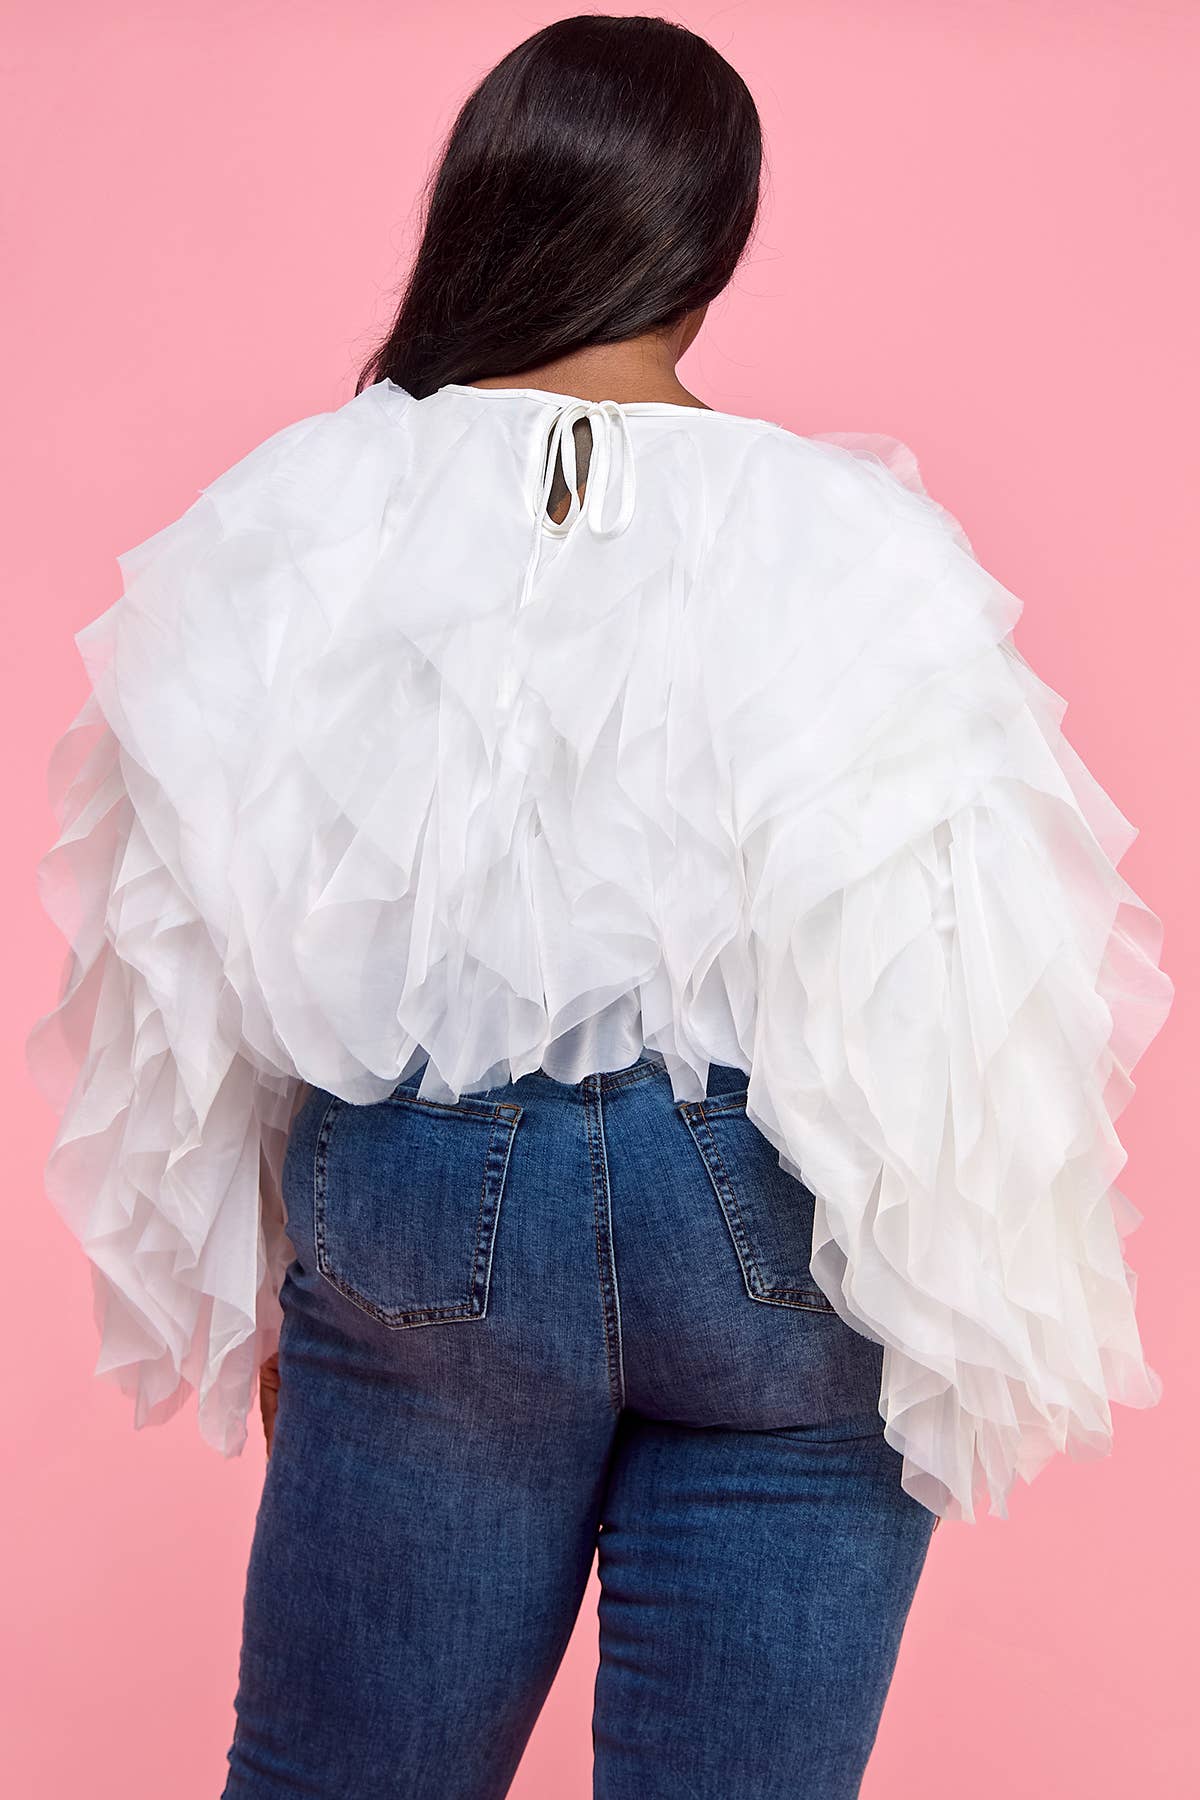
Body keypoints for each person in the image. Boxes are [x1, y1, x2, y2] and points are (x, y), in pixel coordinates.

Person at [26, 15, 1174, 1800]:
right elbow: (965, 968)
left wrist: (261, 1270)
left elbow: (189, 935)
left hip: (423, 1206)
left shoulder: (302, 508)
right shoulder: (850, 539)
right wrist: (963, 1303)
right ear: (706, 245)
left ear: (486, 208)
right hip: (778, 1226)